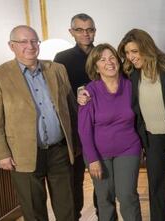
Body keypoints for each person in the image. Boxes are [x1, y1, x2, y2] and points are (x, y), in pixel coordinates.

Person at [78, 29, 165, 221]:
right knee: (155, 183)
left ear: (146, 48)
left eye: (134, 51)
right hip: (151, 136)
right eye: (127, 53)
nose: (130, 57)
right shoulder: (132, 74)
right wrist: (81, 92)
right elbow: (102, 85)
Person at [0, 25, 78, 221]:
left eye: (34, 41)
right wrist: (2, 154)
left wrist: (76, 143)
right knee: (33, 210)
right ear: (11, 46)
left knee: (67, 208)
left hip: (59, 150)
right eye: (23, 42)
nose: (30, 46)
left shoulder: (57, 69)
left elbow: (71, 109)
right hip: (22, 154)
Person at [78, 43, 142, 221]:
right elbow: (84, 129)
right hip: (98, 154)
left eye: (112, 57)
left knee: (127, 196)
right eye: (102, 59)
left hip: (128, 149)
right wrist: (92, 159)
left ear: (119, 61)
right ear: (95, 66)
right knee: (105, 199)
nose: (109, 62)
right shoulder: (88, 92)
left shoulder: (131, 86)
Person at [53, 13, 96, 219]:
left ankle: (104, 213)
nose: (85, 33)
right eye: (80, 29)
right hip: (76, 127)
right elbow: (60, 95)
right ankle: (76, 216)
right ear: (72, 32)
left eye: (90, 29)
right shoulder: (62, 59)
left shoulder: (103, 54)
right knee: (75, 177)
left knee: (102, 176)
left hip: (101, 124)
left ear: (94, 31)